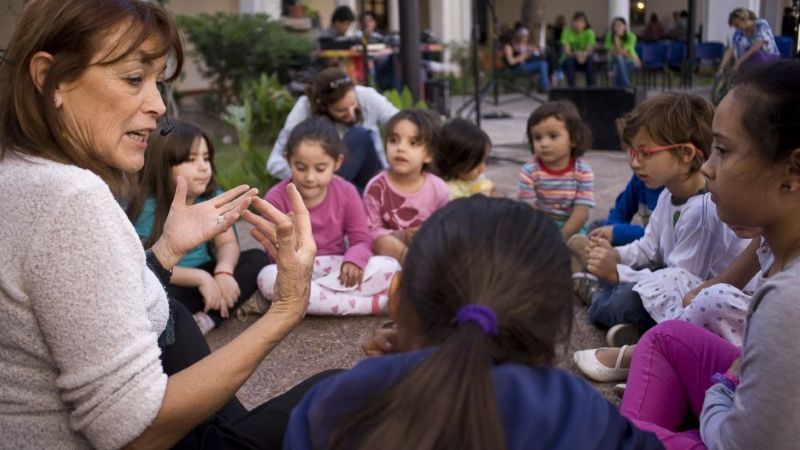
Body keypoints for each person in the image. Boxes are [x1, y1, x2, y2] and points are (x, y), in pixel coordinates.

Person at [0, 1, 327, 447]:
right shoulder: (68, 196)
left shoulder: (18, 172)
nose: (157, 105)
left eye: (157, 82)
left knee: (173, 316)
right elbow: (135, 432)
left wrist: (166, 252)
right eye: (135, 78)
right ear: (50, 78)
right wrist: (287, 308)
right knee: (356, 391)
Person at [284, 196, 664, 450]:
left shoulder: (331, 404)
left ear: (397, 298)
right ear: (553, 327)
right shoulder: (577, 410)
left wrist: (401, 367)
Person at [621, 59, 800, 450]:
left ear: (793, 169)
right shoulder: (774, 243)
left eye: (722, 149)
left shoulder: (788, 301)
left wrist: (724, 388)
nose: (708, 167)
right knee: (665, 337)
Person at [571, 93, 751, 381]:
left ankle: (596, 294)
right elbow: (648, 246)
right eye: (632, 152)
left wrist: (616, 273)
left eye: (645, 153)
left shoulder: (702, 211)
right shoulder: (668, 194)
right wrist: (617, 255)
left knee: (621, 302)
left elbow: (679, 283)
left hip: (688, 291)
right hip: (669, 277)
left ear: (686, 154)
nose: (635, 163)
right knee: (628, 274)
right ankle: (613, 298)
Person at [128, 120, 269, 334]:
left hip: (209, 273)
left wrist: (224, 272)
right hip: (174, 281)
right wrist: (200, 278)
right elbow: (146, 265)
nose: (203, 167)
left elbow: (228, 243)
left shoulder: (212, 196)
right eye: (191, 160)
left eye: (206, 158)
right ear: (163, 165)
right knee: (153, 297)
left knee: (256, 258)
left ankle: (207, 319)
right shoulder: (148, 207)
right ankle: (220, 307)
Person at [258, 118, 400, 315]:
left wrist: (353, 260)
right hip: (297, 271)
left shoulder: (347, 192)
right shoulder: (275, 198)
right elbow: (273, 255)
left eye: (320, 168)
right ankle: (372, 305)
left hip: (336, 267)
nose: (310, 177)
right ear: (288, 159)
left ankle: (315, 300)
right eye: (300, 167)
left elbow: (361, 240)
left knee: (390, 266)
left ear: (337, 162)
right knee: (268, 277)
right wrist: (289, 242)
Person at [267, 67, 398, 193]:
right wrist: (312, 173)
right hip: (325, 185)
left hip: (366, 180)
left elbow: (403, 123)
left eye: (353, 104)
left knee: (359, 134)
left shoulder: (366, 96)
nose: (351, 114)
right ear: (323, 106)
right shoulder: (304, 109)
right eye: (341, 110)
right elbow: (274, 162)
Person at [363, 109, 449, 264]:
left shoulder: (438, 188)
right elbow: (370, 231)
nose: (400, 148)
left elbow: (444, 228)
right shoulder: (376, 187)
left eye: (413, 143)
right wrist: (402, 236)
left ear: (428, 154)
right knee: (383, 241)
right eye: (394, 140)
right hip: (387, 259)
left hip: (427, 252)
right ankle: (413, 267)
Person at [517, 101, 594, 240]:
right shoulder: (529, 171)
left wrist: (561, 237)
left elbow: (581, 212)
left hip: (571, 226)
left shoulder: (583, 171)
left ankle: (577, 255)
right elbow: (528, 210)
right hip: (540, 224)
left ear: (574, 139)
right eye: (537, 138)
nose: (544, 144)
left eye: (553, 136)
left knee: (579, 243)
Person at [585, 174, 664, 246]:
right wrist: (610, 229)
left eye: (646, 157)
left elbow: (661, 237)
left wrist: (617, 233)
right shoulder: (639, 179)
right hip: (645, 239)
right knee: (597, 227)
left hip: (660, 248)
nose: (635, 163)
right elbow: (620, 212)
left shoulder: (671, 193)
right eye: (631, 157)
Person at [435, 118, 495, 199]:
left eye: (485, 161)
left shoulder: (474, 177)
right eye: (476, 165)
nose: (483, 169)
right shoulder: (447, 191)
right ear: (454, 162)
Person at [719, 8, 780, 75]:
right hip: (749, 60)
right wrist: (722, 66)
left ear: (745, 19)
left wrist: (740, 61)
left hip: (769, 57)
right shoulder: (739, 31)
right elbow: (731, 48)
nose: (736, 28)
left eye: (737, 25)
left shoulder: (761, 24)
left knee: (756, 56)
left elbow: (759, 43)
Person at [503, 24, 550, 93]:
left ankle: (543, 86)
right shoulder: (509, 46)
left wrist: (536, 52)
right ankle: (544, 86)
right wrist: (521, 57)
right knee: (542, 64)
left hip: (525, 65)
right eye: (524, 37)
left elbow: (535, 51)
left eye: (527, 37)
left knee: (543, 61)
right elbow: (511, 62)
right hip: (517, 68)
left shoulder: (527, 46)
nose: (526, 38)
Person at [561, 11, 596, 87]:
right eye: (576, 21)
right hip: (571, 60)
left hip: (585, 59)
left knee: (590, 59)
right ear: (572, 22)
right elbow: (567, 51)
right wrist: (577, 55)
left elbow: (589, 49)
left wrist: (583, 55)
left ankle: (591, 88)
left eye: (581, 21)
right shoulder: (567, 32)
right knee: (569, 60)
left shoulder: (589, 32)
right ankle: (572, 89)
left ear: (585, 24)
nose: (578, 24)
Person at [605, 17, 641, 88]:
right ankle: (627, 87)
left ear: (625, 26)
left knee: (616, 68)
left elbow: (622, 51)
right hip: (614, 61)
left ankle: (616, 92)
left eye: (620, 25)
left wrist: (617, 43)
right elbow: (614, 53)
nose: (617, 28)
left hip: (631, 61)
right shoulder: (609, 36)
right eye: (615, 26)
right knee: (618, 60)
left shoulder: (631, 36)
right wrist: (616, 40)